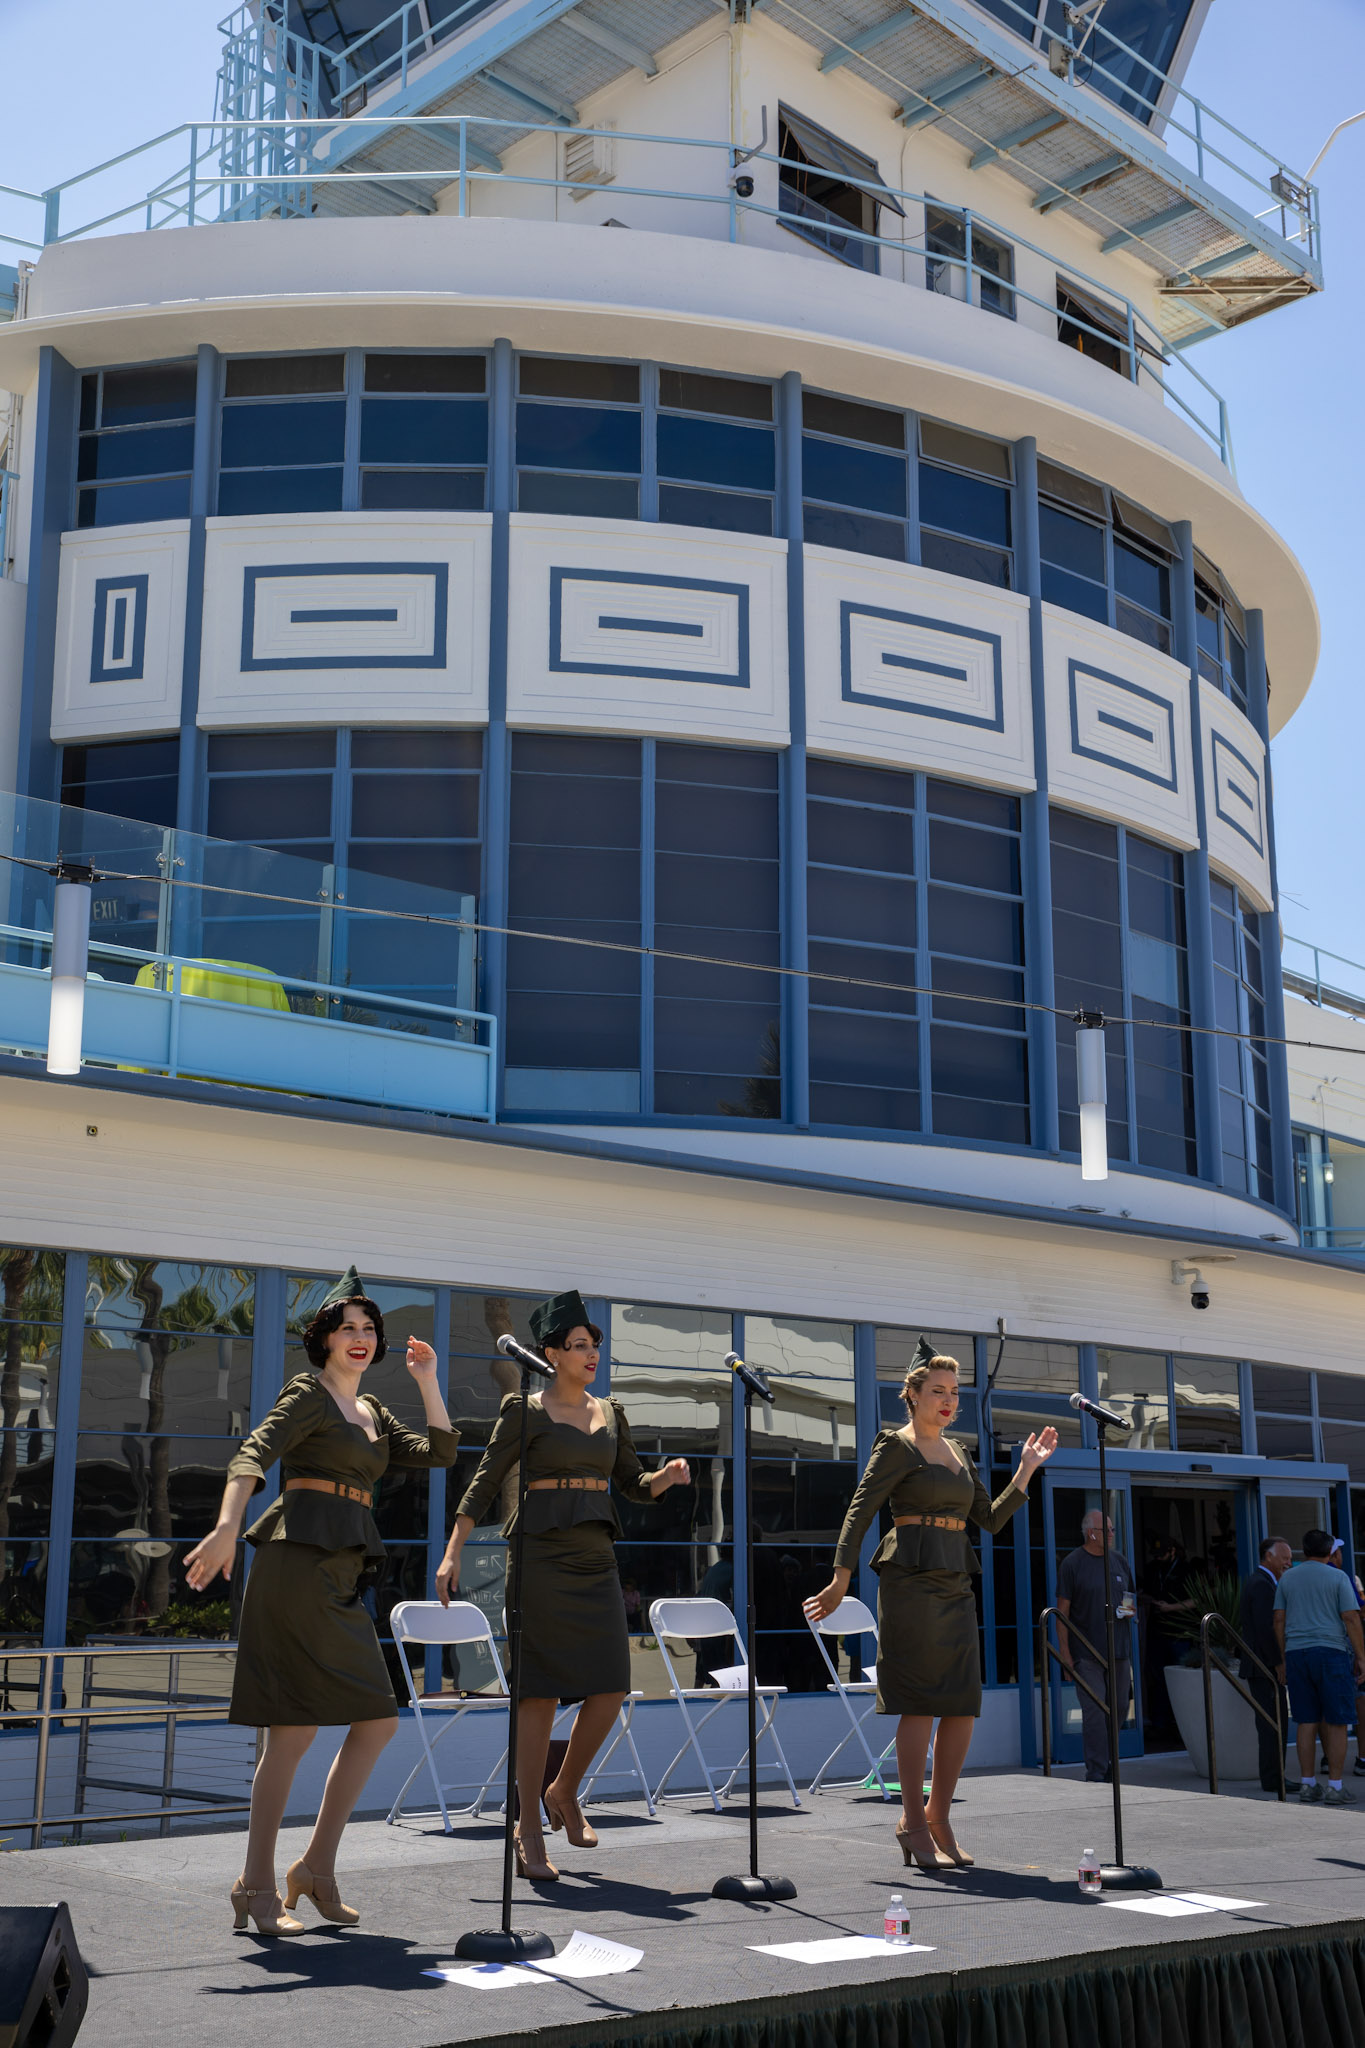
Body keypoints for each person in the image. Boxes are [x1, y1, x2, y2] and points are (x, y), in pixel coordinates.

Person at [186, 1266, 459, 1934]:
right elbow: (253, 1452)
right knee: (294, 1730)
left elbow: (441, 1453)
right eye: (347, 1328)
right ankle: (254, 1887)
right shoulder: (309, 1394)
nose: (360, 1338)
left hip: (340, 1574)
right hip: (295, 1563)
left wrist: (428, 1381)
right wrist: (226, 1525)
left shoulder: (373, 1412)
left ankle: (313, 1870)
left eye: (369, 1329)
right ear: (324, 1340)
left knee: (376, 1718)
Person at [436, 1289, 690, 1883]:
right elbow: (481, 1484)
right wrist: (452, 1553)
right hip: (541, 1558)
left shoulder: (611, 1412)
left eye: (595, 1344)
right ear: (549, 1353)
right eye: (579, 1345)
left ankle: (564, 1790)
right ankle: (527, 1829)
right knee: (538, 1696)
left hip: (595, 1559)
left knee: (612, 1685)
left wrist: (666, 1477)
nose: (591, 1353)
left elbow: (631, 1483)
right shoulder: (523, 1410)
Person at [804, 1337, 1057, 1871]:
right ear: (913, 1395)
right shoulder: (896, 1446)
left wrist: (1025, 1470)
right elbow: (859, 1512)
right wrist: (840, 1578)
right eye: (937, 1391)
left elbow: (988, 1520)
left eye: (954, 1392)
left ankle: (939, 1817)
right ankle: (912, 1820)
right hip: (911, 1583)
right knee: (919, 1702)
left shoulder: (960, 1452)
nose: (948, 1400)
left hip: (955, 1583)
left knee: (961, 1703)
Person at [1273, 1526, 1365, 1806]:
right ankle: (1335, 1787)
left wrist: (1285, 1657)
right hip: (1331, 1652)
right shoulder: (1337, 1577)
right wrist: (1362, 1657)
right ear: (1329, 1552)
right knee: (1337, 1721)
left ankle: (1307, 1784)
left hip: (1297, 1653)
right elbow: (1350, 1618)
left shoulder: (1288, 1578)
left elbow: (1278, 1620)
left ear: (1304, 1550)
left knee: (1306, 1720)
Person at [1056, 1510, 1137, 1784]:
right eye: (1108, 1530)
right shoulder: (1072, 1564)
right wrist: (1065, 1655)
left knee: (1118, 1708)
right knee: (1094, 1713)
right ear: (1092, 1533)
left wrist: (1129, 1610)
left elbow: (1129, 1597)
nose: (1113, 1534)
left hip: (1119, 1651)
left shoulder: (1120, 1562)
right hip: (1086, 1654)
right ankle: (1096, 1773)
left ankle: (1110, 1763)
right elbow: (1061, 1613)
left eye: (1113, 1529)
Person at [1238, 1536, 1294, 1794]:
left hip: (1263, 1664)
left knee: (1276, 1721)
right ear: (1268, 1557)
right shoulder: (1261, 1585)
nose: (1288, 1563)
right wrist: (1278, 1663)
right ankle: (1273, 1779)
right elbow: (1266, 1629)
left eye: (1290, 1559)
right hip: (1263, 1667)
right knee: (1272, 1723)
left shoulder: (1267, 1582)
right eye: (1284, 1558)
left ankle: (1275, 1776)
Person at [1327, 1538, 1365, 1780]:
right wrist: (1361, 1655)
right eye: (1339, 1552)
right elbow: (1355, 1614)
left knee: (1322, 1708)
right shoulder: (1341, 1578)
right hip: (1344, 1648)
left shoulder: (1298, 1577)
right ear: (1333, 1555)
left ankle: (1326, 1760)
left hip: (1316, 1649)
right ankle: (1362, 1758)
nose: (1341, 1556)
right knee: (1359, 1702)